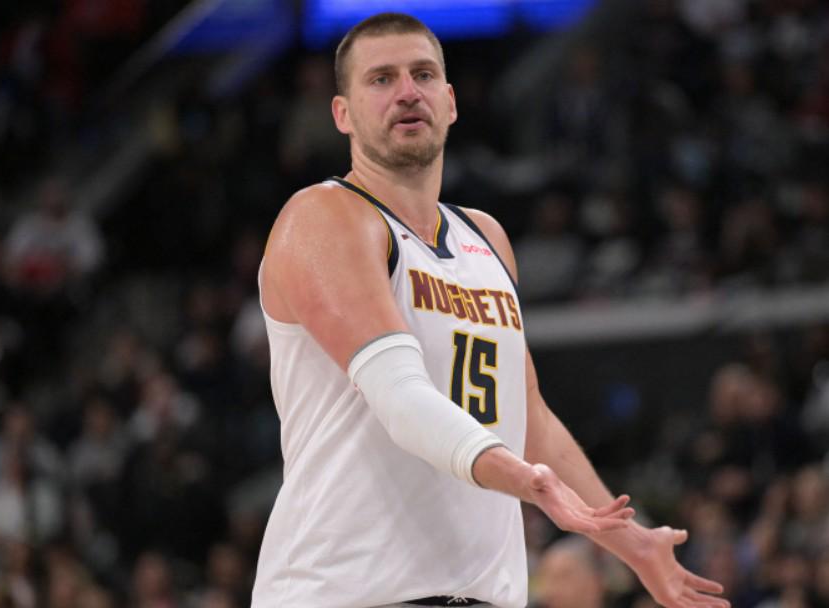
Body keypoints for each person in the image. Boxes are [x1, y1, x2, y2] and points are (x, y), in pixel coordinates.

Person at [253, 12, 729, 608]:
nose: (407, 91)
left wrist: (630, 543)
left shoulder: (486, 238)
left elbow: (528, 419)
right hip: (345, 591)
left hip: (482, 593)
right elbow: (401, 397)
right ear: (342, 114)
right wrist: (525, 480)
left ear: (450, 102)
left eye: (423, 74)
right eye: (381, 79)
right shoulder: (323, 217)